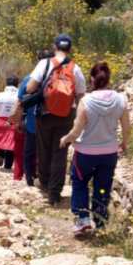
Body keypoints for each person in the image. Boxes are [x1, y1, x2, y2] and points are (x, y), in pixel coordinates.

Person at [60, 62, 131, 236]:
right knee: (102, 186)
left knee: (80, 183)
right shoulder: (121, 100)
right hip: (109, 153)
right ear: (109, 79)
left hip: (85, 154)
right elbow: (127, 127)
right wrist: (124, 143)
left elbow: (76, 131)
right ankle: (100, 220)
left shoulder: (86, 101)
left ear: (92, 79)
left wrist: (65, 139)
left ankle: (82, 219)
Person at [25, 34, 86, 205]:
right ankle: (55, 193)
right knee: (60, 152)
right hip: (66, 115)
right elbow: (81, 95)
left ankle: (44, 183)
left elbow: (30, 88)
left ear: (55, 47)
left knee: (44, 150)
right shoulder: (75, 68)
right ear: (70, 49)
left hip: (44, 114)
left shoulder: (44, 64)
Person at [18, 48, 54, 186]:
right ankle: (47, 179)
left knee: (29, 153)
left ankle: (29, 178)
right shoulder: (60, 78)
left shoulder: (29, 79)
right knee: (48, 152)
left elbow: (21, 100)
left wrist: (18, 121)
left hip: (33, 123)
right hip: (53, 121)